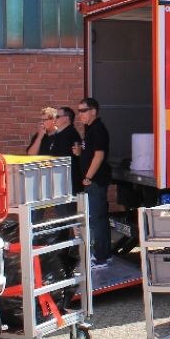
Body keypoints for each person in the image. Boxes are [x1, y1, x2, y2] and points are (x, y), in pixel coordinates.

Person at [76, 98, 112, 267]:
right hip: (93, 181)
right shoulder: (89, 129)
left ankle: (101, 258)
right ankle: (105, 255)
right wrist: (80, 152)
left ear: (93, 111)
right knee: (98, 219)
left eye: (83, 110)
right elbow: (90, 153)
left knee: (98, 219)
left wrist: (88, 177)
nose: (80, 114)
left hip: (96, 181)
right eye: (79, 111)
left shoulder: (98, 129)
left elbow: (99, 155)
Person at [48, 106, 83, 193]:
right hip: (58, 179)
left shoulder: (70, 134)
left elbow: (64, 157)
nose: (54, 119)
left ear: (66, 118)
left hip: (68, 181)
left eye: (57, 116)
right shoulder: (58, 133)